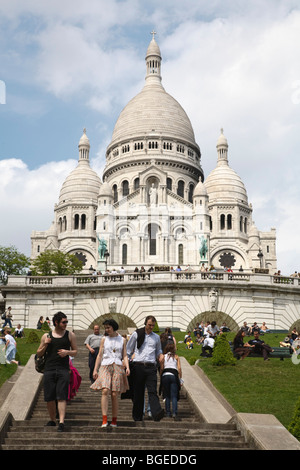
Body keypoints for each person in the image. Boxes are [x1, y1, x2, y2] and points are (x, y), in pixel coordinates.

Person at [36, 311, 78, 432]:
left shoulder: (70, 335)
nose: (66, 324)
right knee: (49, 397)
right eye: (64, 322)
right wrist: (45, 344)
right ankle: (52, 420)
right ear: (56, 322)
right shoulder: (46, 336)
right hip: (49, 369)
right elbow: (39, 353)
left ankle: (61, 422)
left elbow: (75, 351)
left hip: (63, 369)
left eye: (66, 322)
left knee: (61, 396)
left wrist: (67, 352)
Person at [91, 319, 130, 428]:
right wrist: (95, 369)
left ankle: (114, 420)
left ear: (113, 327)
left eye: (108, 327)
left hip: (117, 365)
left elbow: (125, 355)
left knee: (114, 394)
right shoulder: (104, 339)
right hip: (105, 365)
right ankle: (104, 419)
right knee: (105, 390)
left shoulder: (122, 340)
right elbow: (99, 355)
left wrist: (127, 367)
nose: (106, 330)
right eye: (105, 328)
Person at [126, 315, 164, 422]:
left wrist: (160, 355)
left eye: (153, 325)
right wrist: (128, 364)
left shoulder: (156, 337)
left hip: (151, 367)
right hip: (138, 366)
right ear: (145, 323)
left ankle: (156, 413)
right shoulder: (136, 334)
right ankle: (137, 416)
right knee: (138, 392)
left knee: (153, 391)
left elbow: (158, 350)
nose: (151, 327)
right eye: (149, 325)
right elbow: (128, 350)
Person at [160, 343, 182, 420]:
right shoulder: (176, 357)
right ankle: (174, 413)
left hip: (165, 375)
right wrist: (180, 378)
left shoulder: (163, 356)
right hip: (174, 375)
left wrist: (160, 375)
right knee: (174, 396)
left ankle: (168, 412)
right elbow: (179, 368)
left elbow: (162, 368)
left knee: (167, 395)